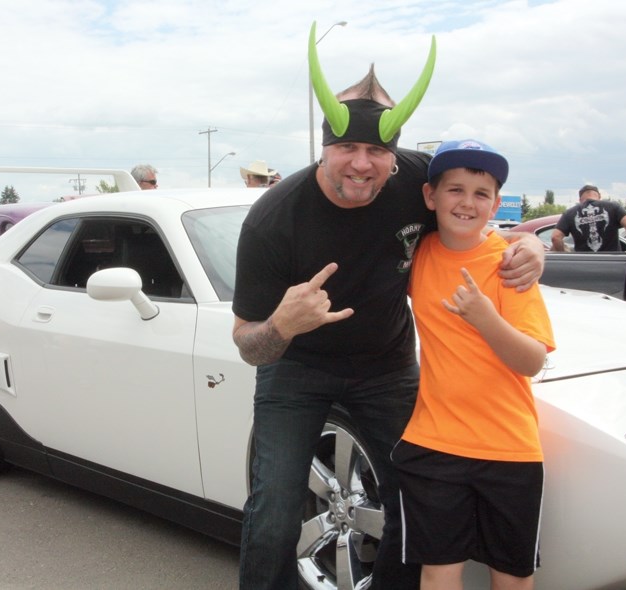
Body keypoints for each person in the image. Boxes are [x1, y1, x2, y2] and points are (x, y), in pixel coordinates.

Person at [231, 24, 545, 590]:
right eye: (347, 147)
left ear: (394, 152)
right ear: (322, 147)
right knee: (275, 512)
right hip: (296, 370)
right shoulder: (274, 218)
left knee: (413, 504)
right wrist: (281, 324)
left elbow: (475, 219)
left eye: (376, 149)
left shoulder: (420, 180)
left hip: (386, 367)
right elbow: (247, 343)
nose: (361, 163)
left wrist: (533, 243)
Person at [392, 140, 555, 590]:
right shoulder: (418, 254)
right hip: (433, 445)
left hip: (509, 450)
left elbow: (533, 360)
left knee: (513, 575)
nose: (467, 202)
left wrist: (485, 318)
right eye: (455, 190)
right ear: (430, 197)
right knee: (438, 571)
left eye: (481, 194)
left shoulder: (510, 266)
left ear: (496, 204)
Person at [551, 184, 626, 252]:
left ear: (580, 199)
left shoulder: (569, 213)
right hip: (613, 263)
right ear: (599, 196)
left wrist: (563, 256)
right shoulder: (613, 207)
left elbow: (555, 237)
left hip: (582, 265)